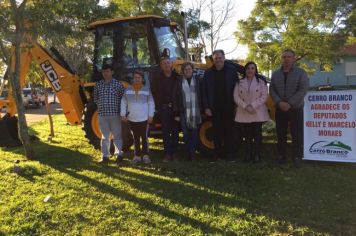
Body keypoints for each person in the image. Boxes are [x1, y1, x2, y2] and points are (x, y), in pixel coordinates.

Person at [270, 49, 309, 167]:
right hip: (280, 109)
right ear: (281, 59)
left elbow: (303, 89)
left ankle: (297, 156)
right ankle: (281, 156)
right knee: (280, 134)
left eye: (289, 57)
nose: (286, 59)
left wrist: (290, 103)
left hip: (295, 108)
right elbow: (272, 90)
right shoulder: (276, 74)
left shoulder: (301, 73)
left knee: (296, 134)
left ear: (293, 58)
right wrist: (279, 102)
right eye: (284, 57)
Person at [202, 49, 238, 161]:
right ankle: (217, 154)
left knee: (229, 130)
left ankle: (230, 154)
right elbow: (204, 92)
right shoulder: (208, 73)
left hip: (229, 106)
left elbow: (237, 88)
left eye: (220, 57)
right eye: (216, 58)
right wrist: (206, 107)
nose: (218, 60)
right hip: (214, 107)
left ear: (224, 58)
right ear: (213, 59)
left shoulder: (231, 71)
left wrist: (236, 105)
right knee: (216, 131)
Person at [233, 62, 269, 162]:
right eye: (248, 68)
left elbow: (264, 96)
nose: (250, 70)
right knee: (247, 136)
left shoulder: (261, 82)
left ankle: (257, 154)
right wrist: (245, 107)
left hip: (257, 112)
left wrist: (253, 106)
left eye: (252, 68)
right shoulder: (239, 82)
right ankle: (247, 154)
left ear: (255, 70)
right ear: (245, 70)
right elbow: (236, 97)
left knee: (257, 135)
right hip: (244, 112)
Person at [93, 64, 125, 164]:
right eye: (104, 72)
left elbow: (122, 99)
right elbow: (96, 99)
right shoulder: (98, 85)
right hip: (103, 115)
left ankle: (119, 154)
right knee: (104, 136)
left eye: (107, 71)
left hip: (115, 115)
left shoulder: (118, 84)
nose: (106, 73)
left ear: (112, 72)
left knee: (117, 136)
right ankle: (105, 156)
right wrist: (101, 109)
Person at [121, 70, 155, 164]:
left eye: (139, 78)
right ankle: (137, 156)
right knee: (135, 138)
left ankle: (145, 155)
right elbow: (123, 102)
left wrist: (150, 115)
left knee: (144, 138)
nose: (137, 79)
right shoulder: (127, 90)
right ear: (133, 79)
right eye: (135, 77)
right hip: (132, 118)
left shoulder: (146, 90)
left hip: (144, 118)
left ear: (142, 79)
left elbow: (151, 103)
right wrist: (123, 114)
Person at [151, 55, 179, 162]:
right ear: (161, 66)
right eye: (164, 63)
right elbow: (154, 93)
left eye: (168, 62)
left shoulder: (177, 77)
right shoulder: (157, 78)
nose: (167, 65)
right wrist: (157, 107)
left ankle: (175, 153)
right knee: (166, 131)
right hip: (163, 108)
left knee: (175, 131)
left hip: (175, 108)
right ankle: (167, 153)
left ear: (172, 65)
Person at [173, 62, 202, 161]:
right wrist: (176, 112)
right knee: (186, 133)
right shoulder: (179, 81)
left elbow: (202, 94)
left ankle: (192, 153)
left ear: (192, 70)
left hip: (196, 111)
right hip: (183, 112)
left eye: (189, 69)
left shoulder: (198, 80)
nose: (188, 71)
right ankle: (189, 152)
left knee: (194, 132)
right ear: (183, 71)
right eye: (185, 70)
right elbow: (175, 97)